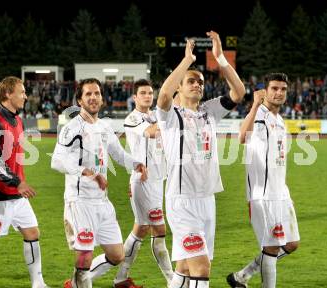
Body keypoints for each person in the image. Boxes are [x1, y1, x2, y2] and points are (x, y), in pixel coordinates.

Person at [156, 31, 245, 288]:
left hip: (207, 199)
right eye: (191, 81)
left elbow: (238, 92)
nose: (198, 84)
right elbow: (163, 96)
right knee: (201, 267)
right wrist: (187, 62)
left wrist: (220, 58)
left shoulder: (209, 111)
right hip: (182, 201)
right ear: (180, 87)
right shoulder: (171, 115)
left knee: (185, 267)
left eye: (201, 82)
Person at [50, 78, 148, 288]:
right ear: (79, 100)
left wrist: (137, 164)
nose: (93, 98)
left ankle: (75, 283)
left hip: (102, 202)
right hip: (80, 201)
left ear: (102, 98)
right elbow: (56, 160)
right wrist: (85, 172)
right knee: (84, 256)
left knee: (116, 254)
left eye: (97, 93)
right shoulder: (72, 128)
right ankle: (80, 283)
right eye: (88, 94)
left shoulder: (104, 127)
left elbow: (119, 155)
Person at [0, 76, 49, 288]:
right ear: (7, 94)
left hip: (16, 194)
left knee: (32, 232)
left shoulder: (18, 120)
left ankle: (37, 282)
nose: (25, 96)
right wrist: (18, 182)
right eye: (21, 92)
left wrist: (18, 183)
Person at [227, 73, 300, 288]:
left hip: (280, 193)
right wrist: (254, 105)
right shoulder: (259, 114)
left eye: (283, 89)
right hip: (263, 195)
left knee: (292, 244)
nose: (279, 93)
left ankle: (242, 276)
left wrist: (284, 191)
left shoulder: (279, 120)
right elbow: (242, 137)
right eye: (274, 88)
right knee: (271, 247)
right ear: (265, 91)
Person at [114, 79, 173, 287]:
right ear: (135, 97)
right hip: (143, 180)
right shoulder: (132, 118)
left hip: (158, 179)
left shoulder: (155, 116)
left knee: (141, 229)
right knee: (159, 229)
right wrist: (167, 118)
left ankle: (121, 278)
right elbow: (150, 133)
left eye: (150, 93)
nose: (148, 96)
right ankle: (172, 280)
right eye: (143, 93)